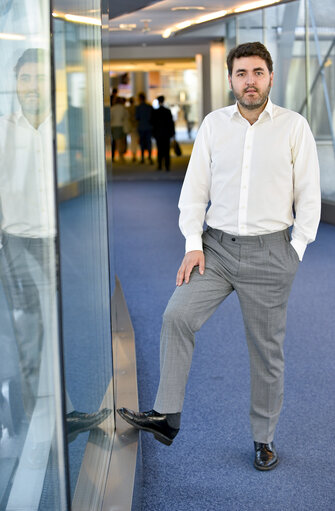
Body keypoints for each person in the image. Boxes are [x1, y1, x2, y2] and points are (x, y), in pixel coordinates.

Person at [117, 42, 321, 471]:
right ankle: (167, 416)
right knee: (178, 315)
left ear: (271, 77)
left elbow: (309, 196)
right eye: (242, 72)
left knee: (266, 353)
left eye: (258, 72)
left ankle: (264, 439)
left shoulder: (293, 127)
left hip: (271, 252)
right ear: (230, 78)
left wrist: (295, 251)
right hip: (216, 249)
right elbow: (194, 192)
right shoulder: (214, 125)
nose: (250, 80)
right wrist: (193, 243)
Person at [0, 48, 110, 438]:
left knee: (58, 328)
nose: (30, 86)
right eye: (24, 78)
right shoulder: (3, 129)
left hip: (56, 243)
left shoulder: (60, 134)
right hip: (14, 244)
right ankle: (38, 416)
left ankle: (57, 410)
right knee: (29, 332)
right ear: (15, 84)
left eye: (38, 78)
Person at [152, 95, 175, 171]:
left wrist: (153, 133)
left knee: (159, 149)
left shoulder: (155, 112)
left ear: (158, 102)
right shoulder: (167, 111)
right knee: (167, 150)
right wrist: (172, 133)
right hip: (166, 134)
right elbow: (171, 123)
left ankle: (159, 165)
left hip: (158, 134)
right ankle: (167, 166)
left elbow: (153, 124)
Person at [136, 92, 154, 164]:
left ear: (140, 99)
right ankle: (149, 157)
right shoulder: (149, 107)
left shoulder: (138, 107)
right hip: (149, 127)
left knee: (142, 143)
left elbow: (137, 117)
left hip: (141, 127)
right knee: (149, 142)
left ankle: (142, 158)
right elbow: (152, 117)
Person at [110, 96, 129, 162]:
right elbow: (127, 117)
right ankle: (121, 156)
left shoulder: (112, 109)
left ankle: (118, 155)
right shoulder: (123, 108)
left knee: (117, 142)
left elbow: (110, 118)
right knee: (122, 141)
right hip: (122, 126)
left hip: (115, 126)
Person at [127, 97, 139, 162]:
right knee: (135, 141)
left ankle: (133, 155)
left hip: (131, 127)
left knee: (132, 141)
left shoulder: (128, 109)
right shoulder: (136, 108)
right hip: (136, 126)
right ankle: (134, 155)